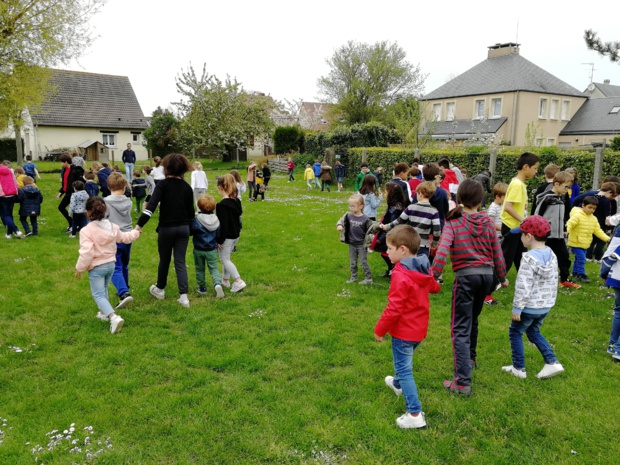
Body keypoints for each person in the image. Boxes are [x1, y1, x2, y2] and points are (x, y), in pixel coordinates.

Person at [431, 179, 508, 396]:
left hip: (466, 279)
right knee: (472, 319)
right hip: (487, 278)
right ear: (481, 199)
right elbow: (497, 253)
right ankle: (471, 359)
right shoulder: (487, 223)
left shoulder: (454, 223)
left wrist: (433, 276)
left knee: (460, 328)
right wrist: (502, 278)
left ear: (459, 199)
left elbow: (442, 251)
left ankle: (463, 382)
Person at [374, 225, 440, 429]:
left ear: (402, 250)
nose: (387, 252)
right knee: (403, 367)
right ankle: (397, 384)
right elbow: (433, 286)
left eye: (390, 249)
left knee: (404, 369)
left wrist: (379, 329)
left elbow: (394, 308)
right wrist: (434, 285)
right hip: (418, 331)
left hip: (404, 332)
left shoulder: (401, 275)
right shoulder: (421, 266)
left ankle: (414, 413)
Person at [501, 215, 565, 379]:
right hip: (545, 306)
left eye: (522, 234)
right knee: (533, 331)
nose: (520, 237)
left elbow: (523, 286)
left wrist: (517, 308)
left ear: (528, 236)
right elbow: (552, 281)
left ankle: (518, 368)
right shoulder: (551, 254)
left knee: (515, 332)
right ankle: (552, 362)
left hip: (529, 307)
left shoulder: (528, 259)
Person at [136, 153, 195, 308]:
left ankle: (160, 289)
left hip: (166, 229)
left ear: (166, 168)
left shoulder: (162, 185)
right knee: (180, 261)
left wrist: (139, 225)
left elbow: (151, 207)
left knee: (165, 259)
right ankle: (184, 297)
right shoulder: (187, 187)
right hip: (184, 229)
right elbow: (191, 214)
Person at [75, 197, 141, 334]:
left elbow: (87, 252)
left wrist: (80, 268)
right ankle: (104, 313)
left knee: (98, 294)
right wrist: (135, 233)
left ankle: (113, 317)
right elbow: (124, 238)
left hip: (97, 267)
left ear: (87, 212)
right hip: (111, 264)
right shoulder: (113, 227)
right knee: (103, 289)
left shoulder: (86, 231)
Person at [535, 171, 581, 289]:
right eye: (566, 187)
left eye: (569, 187)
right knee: (544, 259)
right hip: (546, 236)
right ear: (556, 184)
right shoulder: (546, 198)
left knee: (564, 257)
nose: (568, 190)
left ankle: (564, 279)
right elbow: (537, 215)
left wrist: (565, 228)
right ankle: (539, 279)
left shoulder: (562, 198)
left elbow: (564, 215)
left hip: (559, 235)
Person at [500, 152, 540, 273]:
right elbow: (507, 207)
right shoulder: (517, 185)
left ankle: (526, 278)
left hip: (518, 227)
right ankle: (494, 282)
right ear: (526, 167)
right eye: (535, 168)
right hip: (512, 228)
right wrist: (524, 220)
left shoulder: (519, 184)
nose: (536, 171)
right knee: (506, 258)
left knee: (521, 257)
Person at [381, 181, 441, 257]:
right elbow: (437, 230)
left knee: (409, 265)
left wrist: (387, 226)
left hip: (410, 243)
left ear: (420, 193)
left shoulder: (410, 208)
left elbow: (399, 221)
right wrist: (435, 243)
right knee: (421, 266)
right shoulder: (434, 211)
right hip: (424, 244)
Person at [104, 173, 136, 310]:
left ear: (108, 186)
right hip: (128, 236)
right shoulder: (128, 201)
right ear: (124, 187)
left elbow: (103, 219)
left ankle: (123, 293)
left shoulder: (104, 202)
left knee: (114, 267)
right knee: (124, 264)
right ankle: (125, 287)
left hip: (114, 237)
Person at [567, 196, 610, 283]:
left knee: (578, 259)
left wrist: (608, 239)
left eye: (594, 208)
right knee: (582, 259)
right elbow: (570, 223)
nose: (591, 210)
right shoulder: (577, 215)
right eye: (589, 207)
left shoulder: (593, 218)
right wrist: (566, 230)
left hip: (585, 243)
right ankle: (581, 274)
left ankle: (575, 272)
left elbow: (597, 230)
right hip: (576, 242)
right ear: (583, 205)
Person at [572, 182, 618, 263]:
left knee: (592, 240)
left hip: (591, 221)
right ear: (609, 192)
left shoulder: (591, 197)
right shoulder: (606, 201)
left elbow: (577, 200)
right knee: (601, 241)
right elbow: (607, 214)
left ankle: (588, 256)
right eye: (612, 195)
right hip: (601, 223)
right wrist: (609, 227)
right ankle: (598, 257)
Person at [215, 174, 246, 293]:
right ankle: (225, 280)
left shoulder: (222, 205)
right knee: (227, 257)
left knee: (224, 259)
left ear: (221, 187)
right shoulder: (236, 201)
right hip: (235, 234)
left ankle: (238, 281)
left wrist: (219, 240)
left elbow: (223, 224)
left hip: (227, 236)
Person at [337, 194, 376, 285]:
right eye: (349, 205)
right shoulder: (348, 216)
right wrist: (339, 225)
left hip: (361, 245)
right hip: (351, 243)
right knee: (353, 262)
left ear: (361, 206)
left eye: (353, 206)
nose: (350, 208)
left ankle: (368, 279)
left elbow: (373, 227)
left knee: (363, 262)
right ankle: (353, 277)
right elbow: (341, 220)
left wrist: (380, 226)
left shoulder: (366, 219)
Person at [192, 194, 225, 298]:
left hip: (198, 249)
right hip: (211, 249)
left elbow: (191, 231)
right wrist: (219, 242)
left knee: (200, 268)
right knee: (214, 267)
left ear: (199, 206)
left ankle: (202, 288)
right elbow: (219, 234)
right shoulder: (217, 220)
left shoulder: (196, 220)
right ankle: (217, 284)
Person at [373, 182, 406, 277]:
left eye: (386, 191)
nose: (384, 194)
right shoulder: (394, 206)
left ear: (391, 194)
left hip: (393, 235)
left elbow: (392, 226)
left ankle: (394, 272)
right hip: (391, 234)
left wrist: (381, 238)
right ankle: (391, 270)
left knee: (388, 254)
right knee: (385, 253)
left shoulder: (395, 209)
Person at [484, 182, 508, 305]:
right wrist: (504, 229)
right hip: (496, 239)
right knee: (496, 262)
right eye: (505, 196)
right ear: (497, 196)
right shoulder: (493, 207)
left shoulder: (503, 207)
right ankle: (489, 290)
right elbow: (491, 224)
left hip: (502, 236)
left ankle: (499, 279)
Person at [600, 226, 620, 360]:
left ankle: (613, 344)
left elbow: (611, 257)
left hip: (617, 277)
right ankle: (618, 349)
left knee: (619, 311)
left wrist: (604, 273)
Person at [412, 163, 449, 231]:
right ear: (436, 177)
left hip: (420, 227)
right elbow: (446, 210)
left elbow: (413, 207)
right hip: (437, 227)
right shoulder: (442, 192)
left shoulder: (419, 190)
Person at [57, 154, 85, 232]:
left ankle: (73, 224)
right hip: (67, 192)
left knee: (64, 208)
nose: (61, 164)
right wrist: (61, 191)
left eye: (62, 162)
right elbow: (65, 183)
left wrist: (77, 190)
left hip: (73, 194)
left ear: (66, 162)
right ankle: (74, 224)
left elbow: (81, 181)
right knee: (64, 208)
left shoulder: (76, 170)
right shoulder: (65, 170)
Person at [1, 164, 23, 239]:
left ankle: (16, 230)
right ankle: (9, 234)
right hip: (12, 194)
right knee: (9, 215)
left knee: (5, 215)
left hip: (3, 195)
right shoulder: (10, 170)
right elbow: (14, 181)